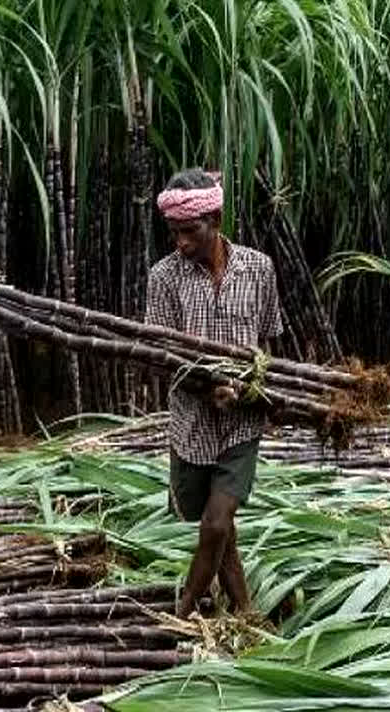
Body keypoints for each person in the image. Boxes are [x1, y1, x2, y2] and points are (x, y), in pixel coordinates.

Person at [145, 168, 282, 618]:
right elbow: (163, 355)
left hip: (242, 422)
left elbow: (268, 343)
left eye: (191, 231)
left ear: (216, 219)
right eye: (174, 232)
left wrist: (249, 392)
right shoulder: (164, 277)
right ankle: (244, 611)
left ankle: (183, 611)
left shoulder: (259, 269)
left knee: (217, 519)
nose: (181, 242)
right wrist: (209, 390)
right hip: (192, 424)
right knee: (212, 526)